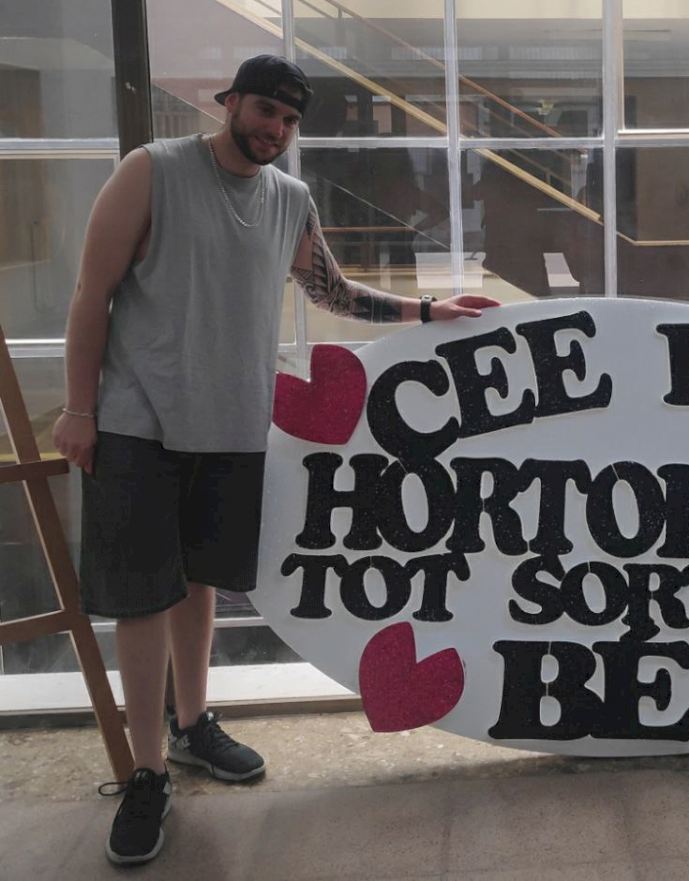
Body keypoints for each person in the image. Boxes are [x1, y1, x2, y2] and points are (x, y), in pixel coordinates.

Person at [51, 55, 498, 866]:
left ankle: (192, 725)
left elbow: (333, 292)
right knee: (142, 598)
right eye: (265, 111)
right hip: (136, 422)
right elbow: (91, 293)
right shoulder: (152, 170)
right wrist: (79, 409)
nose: (277, 129)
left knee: (200, 580)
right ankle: (147, 772)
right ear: (229, 102)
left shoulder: (290, 199)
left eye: (290, 121)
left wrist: (430, 310)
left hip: (231, 424)